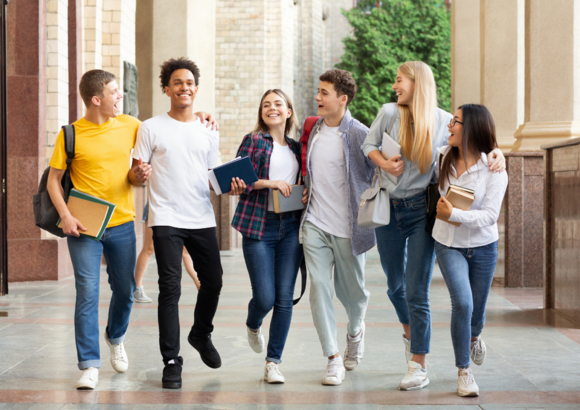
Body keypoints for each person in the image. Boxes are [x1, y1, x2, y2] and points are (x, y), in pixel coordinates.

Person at [361, 61, 506, 391]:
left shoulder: (443, 122)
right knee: (395, 286)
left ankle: (419, 362)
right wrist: (384, 162)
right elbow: (367, 144)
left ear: (417, 83)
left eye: (400, 80)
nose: (394, 85)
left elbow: (469, 144)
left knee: (416, 288)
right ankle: (410, 333)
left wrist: (497, 151)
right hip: (387, 210)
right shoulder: (387, 113)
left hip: (421, 213)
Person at [131, 57, 245, 389]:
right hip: (165, 217)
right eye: (177, 82)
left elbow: (214, 178)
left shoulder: (207, 129)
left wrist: (231, 184)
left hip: (201, 217)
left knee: (214, 282)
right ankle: (171, 360)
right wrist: (138, 174)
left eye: (190, 83)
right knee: (170, 287)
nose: (185, 87)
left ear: (196, 89)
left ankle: (200, 333)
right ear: (166, 89)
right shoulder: (150, 127)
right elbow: (137, 173)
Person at [299, 69, 376, 386]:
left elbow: (382, 169)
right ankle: (332, 358)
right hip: (315, 223)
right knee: (319, 288)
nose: (318, 97)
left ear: (342, 99)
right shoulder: (313, 128)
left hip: (348, 227)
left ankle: (356, 329)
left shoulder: (359, 133)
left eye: (324, 92)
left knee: (353, 294)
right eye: (318, 91)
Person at [433, 104, 507, 397]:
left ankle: (474, 336)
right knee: (462, 304)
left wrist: (455, 215)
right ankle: (464, 371)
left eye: (456, 122)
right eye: (451, 120)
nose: (450, 125)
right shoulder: (441, 157)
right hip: (448, 243)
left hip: (484, 246)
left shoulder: (494, 168)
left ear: (473, 128)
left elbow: (490, 216)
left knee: (476, 313)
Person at [232, 89, 303, 384]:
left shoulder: (299, 148)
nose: (271, 108)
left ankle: (273, 362)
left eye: (278, 104)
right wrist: (270, 183)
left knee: (284, 299)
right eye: (266, 105)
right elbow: (237, 179)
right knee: (264, 297)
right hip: (259, 226)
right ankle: (253, 322)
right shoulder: (253, 140)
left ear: (288, 111)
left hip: (290, 227)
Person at [134, 202, 200, 304]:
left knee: (185, 250)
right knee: (149, 249)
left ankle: (199, 284)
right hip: (160, 205)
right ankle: (136, 288)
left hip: (182, 207)